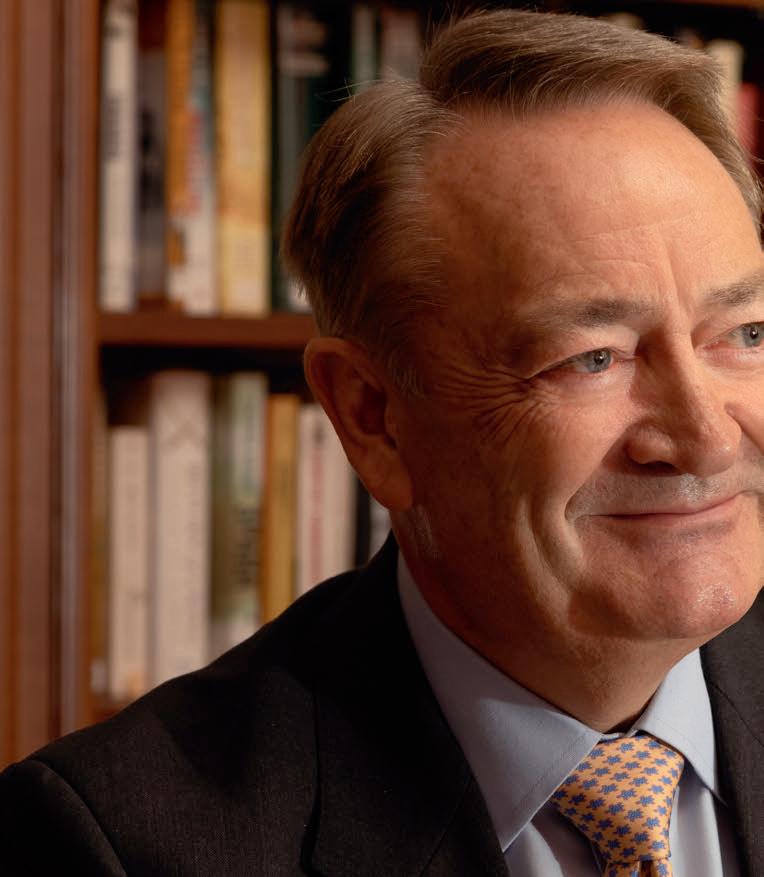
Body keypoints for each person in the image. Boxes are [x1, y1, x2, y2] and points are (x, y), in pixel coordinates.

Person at [1, 8, 762, 875]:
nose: (705, 436)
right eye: (592, 357)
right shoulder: (116, 844)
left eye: (743, 334)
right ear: (372, 416)